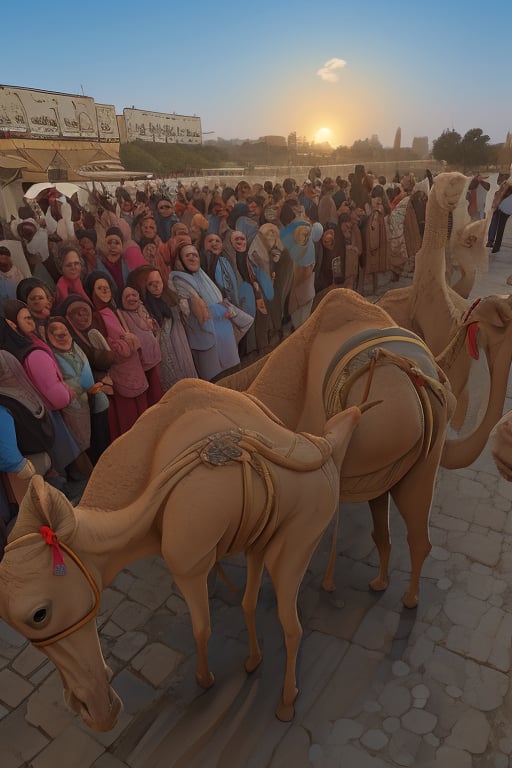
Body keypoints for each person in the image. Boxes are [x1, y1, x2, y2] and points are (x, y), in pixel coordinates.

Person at [84, 271, 148, 438]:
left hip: (133, 370)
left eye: (106, 287)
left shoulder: (114, 310)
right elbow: (106, 346)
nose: (104, 290)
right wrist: (127, 344)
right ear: (92, 291)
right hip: (120, 373)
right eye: (99, 288)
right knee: (129, 422)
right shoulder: (96, 317)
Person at [169, 243, 240, 381]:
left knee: (234, 379)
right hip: (205, 340)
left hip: (224, 338)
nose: (192, 258)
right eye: (187, 256)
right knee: (215, 383)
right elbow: (192, 312)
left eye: (194, 255)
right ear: (180, 261)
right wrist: (220, 309)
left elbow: (217, 301)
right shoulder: (179, 281)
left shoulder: (203, 276)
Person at [127, 265, 198, 391]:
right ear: (143, 287)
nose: (156, 286)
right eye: (150, 284)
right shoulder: (144, 310)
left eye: (158, 282)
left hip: (181, 347)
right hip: (165, 355)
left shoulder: (169, 299)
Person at [118, 285, 163, 406]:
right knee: (152, 395)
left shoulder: (143, 308)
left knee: (159, 389)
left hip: (155, 356)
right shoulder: (121, 314)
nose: (131, 298)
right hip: (141, 361)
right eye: (127, 296)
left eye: (134, 295)